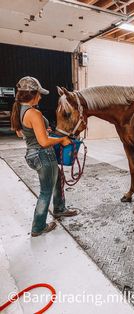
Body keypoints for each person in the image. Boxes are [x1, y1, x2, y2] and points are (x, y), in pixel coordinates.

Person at [11, 76, 78, 237]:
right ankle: (38, 226)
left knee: (58, 178)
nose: (40, 97)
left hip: (33, 154)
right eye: (39, 94)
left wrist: (43, 130)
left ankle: (60, 208)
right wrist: (62, 139)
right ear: (32, 94)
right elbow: (43, 141)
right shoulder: (33, 112)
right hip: (43, 155)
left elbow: (22, 133)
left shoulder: (19, 110)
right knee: (45, 191)